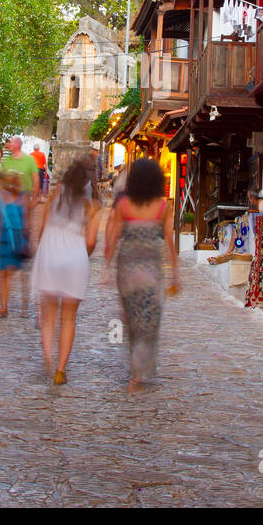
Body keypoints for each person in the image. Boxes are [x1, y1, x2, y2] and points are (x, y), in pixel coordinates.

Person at [104, 158, 179, 393]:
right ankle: (138, 371)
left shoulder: (124, 206)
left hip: (126, 271)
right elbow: (170, 243)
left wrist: (106, 269)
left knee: (132, 320)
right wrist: (176, 274)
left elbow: (113, 239)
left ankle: (135, 372)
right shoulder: (163, 208)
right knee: (149, 321)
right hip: (150, 273)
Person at [32, 160, 100, 385]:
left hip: (50, 253)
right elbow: (91, 241)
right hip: (74, 258)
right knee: (69, 318)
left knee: (49, 313)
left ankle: (48, 357)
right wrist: (81, 254)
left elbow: (42, 230)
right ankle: (61, 370)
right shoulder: (91, 207)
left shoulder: (54, 197)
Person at [0, 173, 28, 318]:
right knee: (5, 275)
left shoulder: (23, 197)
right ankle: (4, 308)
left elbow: (27, 219)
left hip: (19, 240)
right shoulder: (1, 198)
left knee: (23, 276)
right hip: (5, 239)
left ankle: (24, 307)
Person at [0, 136, 37, 206]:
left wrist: (34, 199)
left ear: (17, 144)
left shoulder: (29, 159)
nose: (8, 145)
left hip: (24, 196)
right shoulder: (6, 160)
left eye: (11, 142)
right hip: (8, 196)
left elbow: (36, 178)